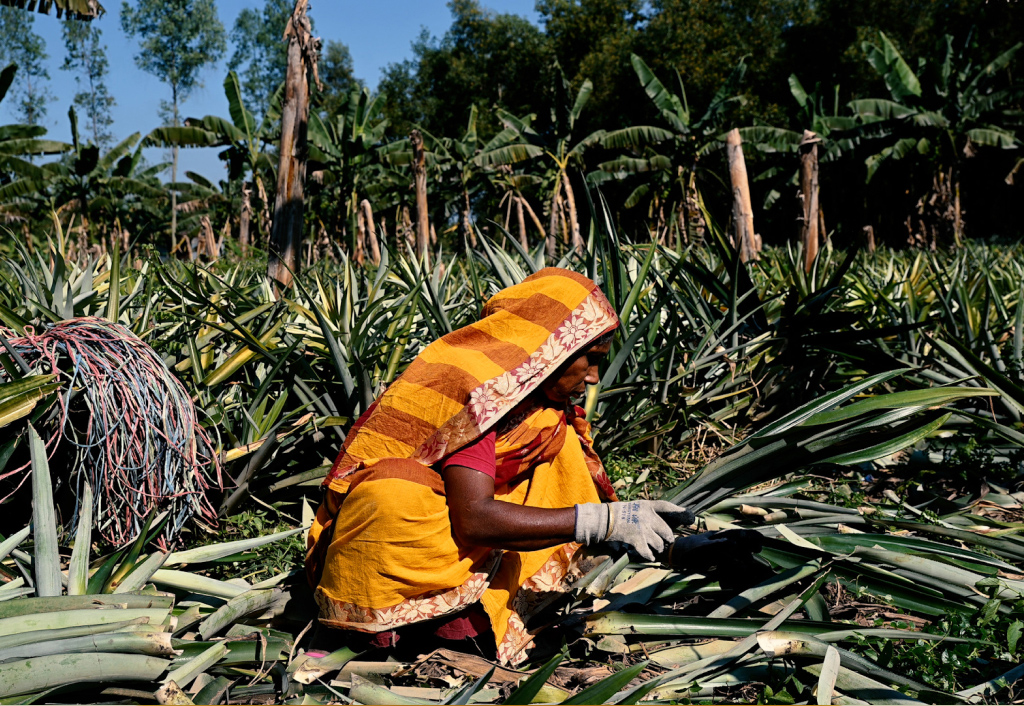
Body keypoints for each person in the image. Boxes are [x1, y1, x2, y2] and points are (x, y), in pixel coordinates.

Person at [305, 268, 694, 664]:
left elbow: (572, 509)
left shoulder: (542, 412)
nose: (594, 377)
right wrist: (606, 519)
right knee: (393, 496)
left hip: (471, 550)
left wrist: (670, 544)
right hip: (401, 558)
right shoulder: (474, 390)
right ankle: (364, 633)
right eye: (590, 359)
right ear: (551, 346)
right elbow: (474, 518)